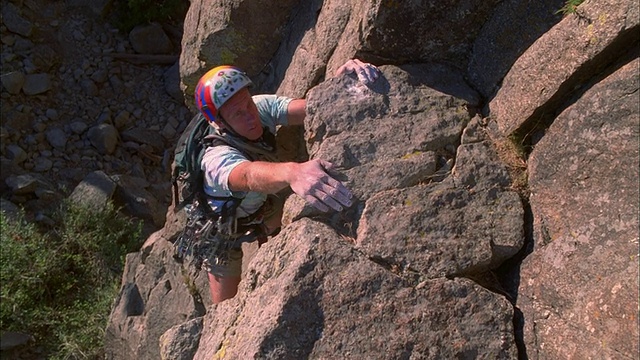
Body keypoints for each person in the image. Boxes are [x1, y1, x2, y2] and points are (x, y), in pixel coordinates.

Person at [192, 59, 380, 303]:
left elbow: (311, 108)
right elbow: (248, 175)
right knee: (223, 307)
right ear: (219, 123)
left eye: (248, 104)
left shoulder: (256, 108)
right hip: (223, 231)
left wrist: (339, 83)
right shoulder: (215, 159)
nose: (251, 116)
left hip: (263, 208)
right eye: (238, 114)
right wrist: (294, 173)